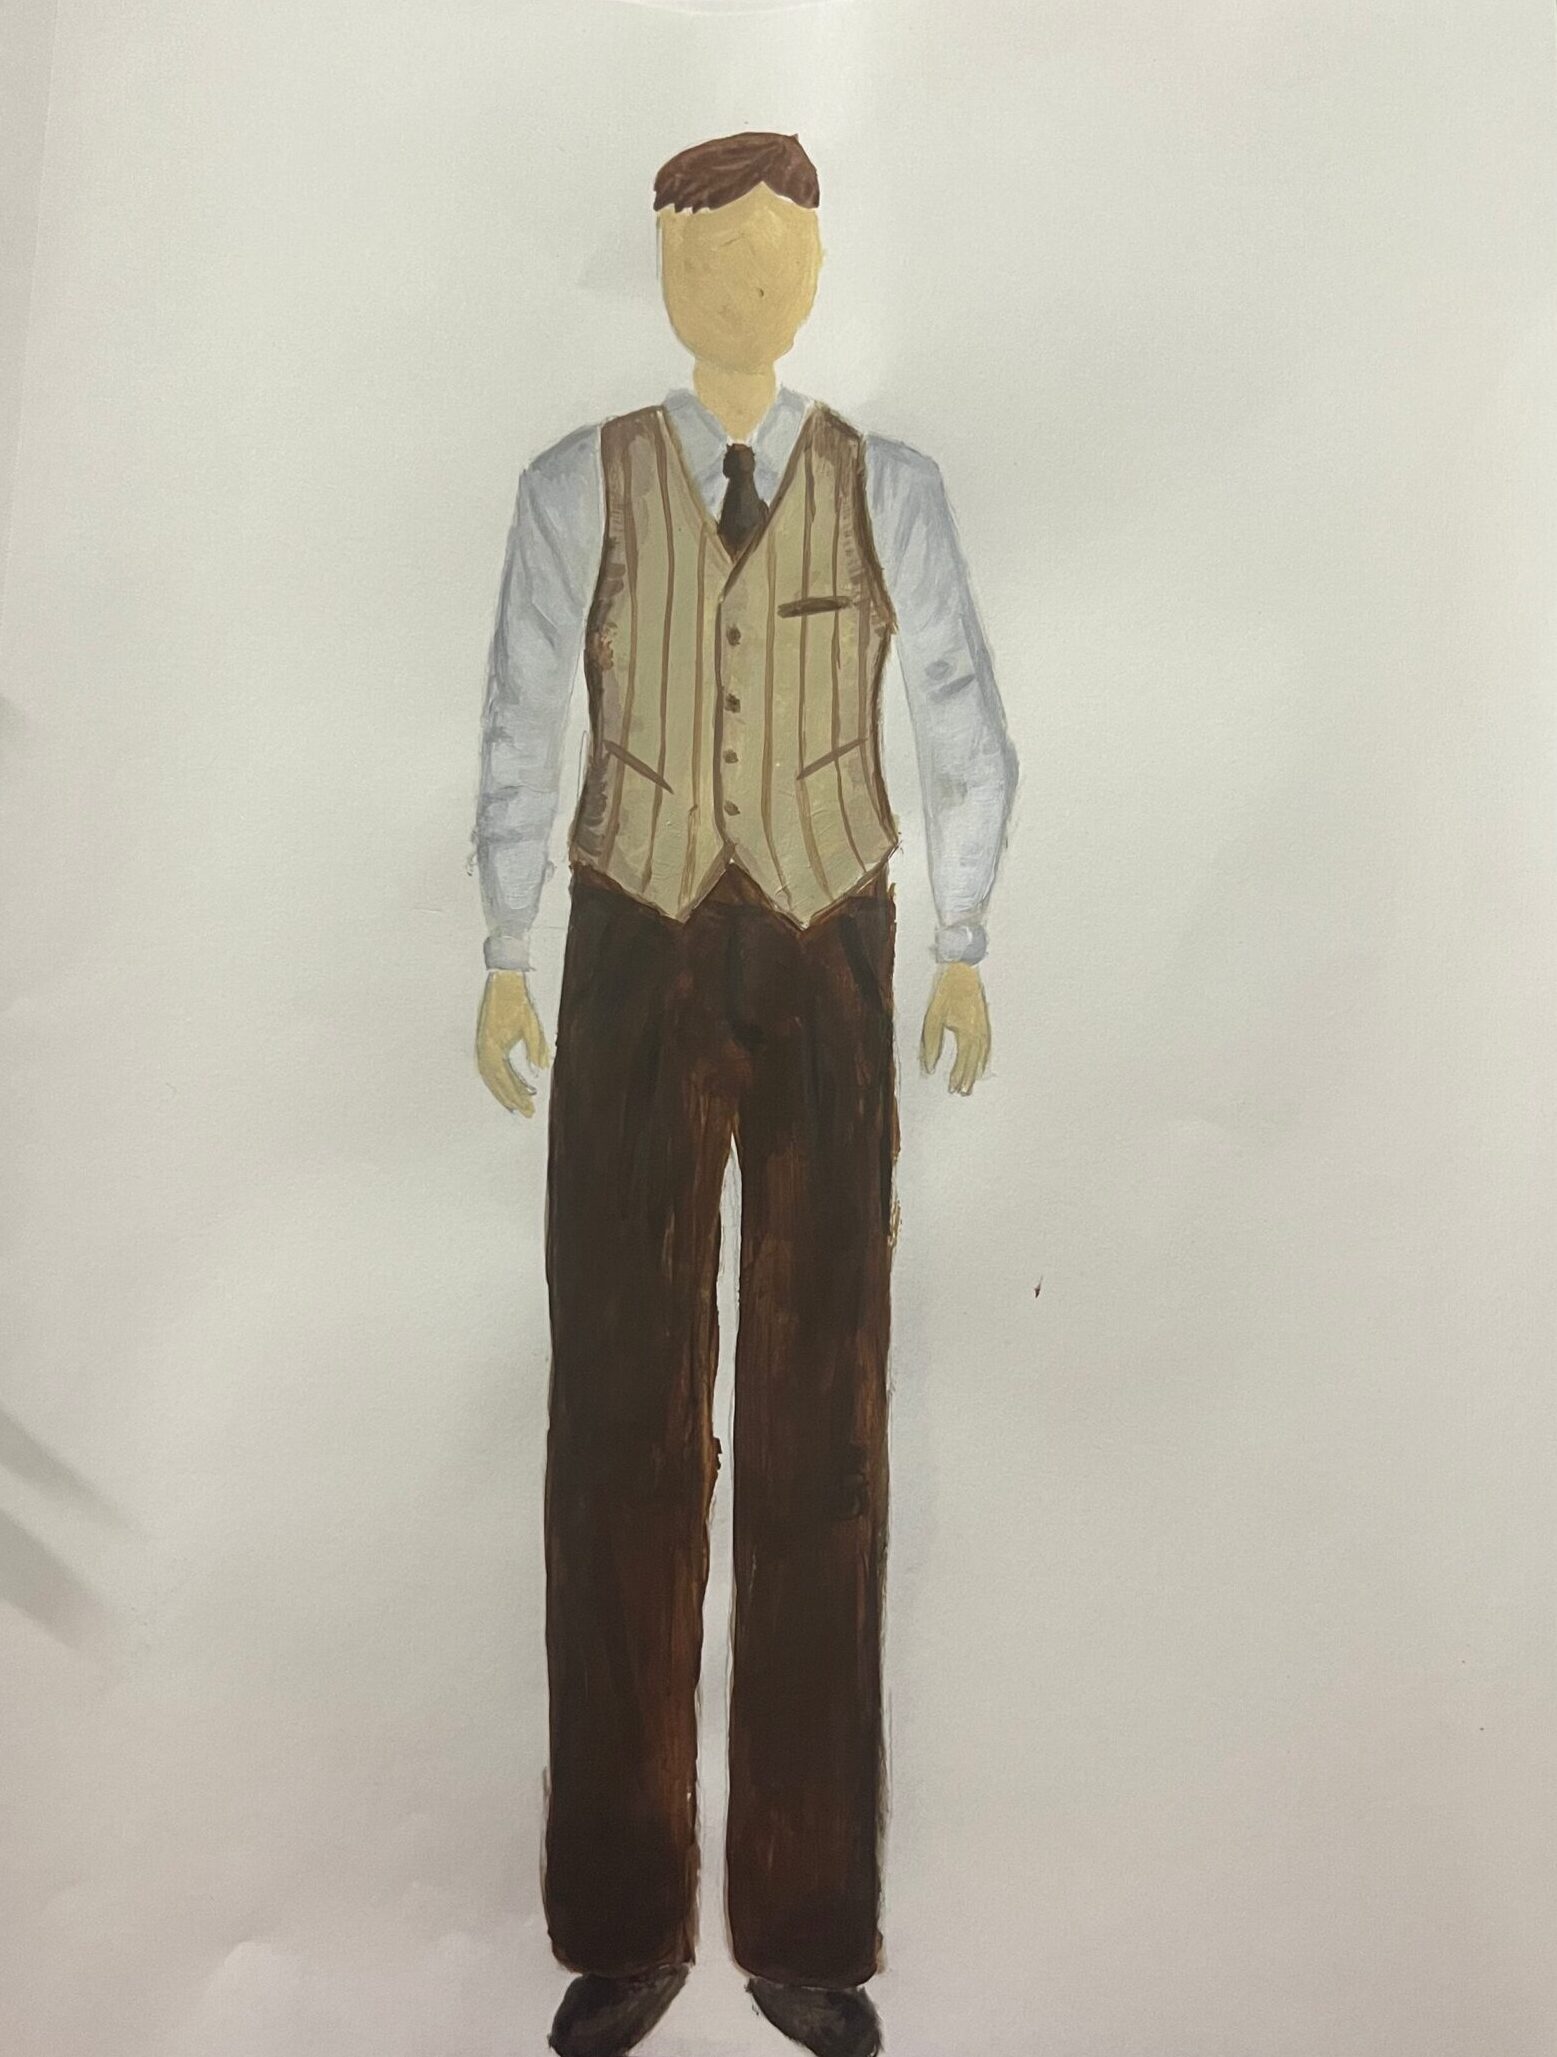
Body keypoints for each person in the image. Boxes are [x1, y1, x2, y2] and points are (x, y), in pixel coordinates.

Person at [474, 130, 1017, 2057]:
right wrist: (502, 945)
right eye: (708, 259)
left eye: (774, 258)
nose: (741, 289)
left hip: (824, 955)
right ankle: (621, 1922)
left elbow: (956, 715)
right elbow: (521, 706)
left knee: (819, 1429)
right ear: (660, 269)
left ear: (815, 275)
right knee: (618, 1416)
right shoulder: (576, 484)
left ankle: (805, 1923)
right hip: (629, 946)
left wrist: (962, 934)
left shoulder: (889, 487)